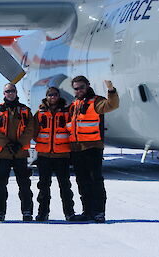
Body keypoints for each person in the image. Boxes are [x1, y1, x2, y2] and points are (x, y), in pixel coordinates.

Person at [67, 76, 119, 223]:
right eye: (76, 88)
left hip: (92, 148)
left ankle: (98, 212)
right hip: (77, 150)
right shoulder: (74, 105)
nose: (79, 90)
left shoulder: (96, 101)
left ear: (88, 86)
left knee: (95, 181)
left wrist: (111, 90)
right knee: (82, 182)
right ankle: (87, 211)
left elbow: (112, 105)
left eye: (81, 87)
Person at [0, 83, 34, 221]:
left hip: (20, 153)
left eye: (12, 91)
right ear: (4, 94)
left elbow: (30, 128)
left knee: (24, 184)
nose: (10, 93)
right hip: (3, 153)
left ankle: (27, 211)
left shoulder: (25, 110)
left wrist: (20, 144)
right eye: (8, 91)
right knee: (0, 185)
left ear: (16, 92)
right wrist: (7, 144)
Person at [34, 87, 77, 221]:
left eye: (55, 95)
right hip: (44, 155)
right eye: (50, 95)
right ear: (46, 97)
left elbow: (72, 129)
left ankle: (69, 212)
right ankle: (43, 213)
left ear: (59, 96)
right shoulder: (40, 113)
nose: (53, 97)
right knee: (43, 186)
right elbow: (34, 131)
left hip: (62, 155)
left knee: (65, 186)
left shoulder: (66, 112)